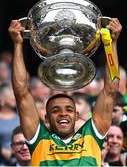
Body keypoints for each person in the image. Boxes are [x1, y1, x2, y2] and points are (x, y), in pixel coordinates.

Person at [8, 18, 122, 166]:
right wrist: (17, 44)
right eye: (55, 110)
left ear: (76, 116)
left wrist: (111, 43)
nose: (63, 113)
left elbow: (110, 91)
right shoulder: (39, 138)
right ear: (47, 118)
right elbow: (21, 93)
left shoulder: (91, 136)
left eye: (69, 109)